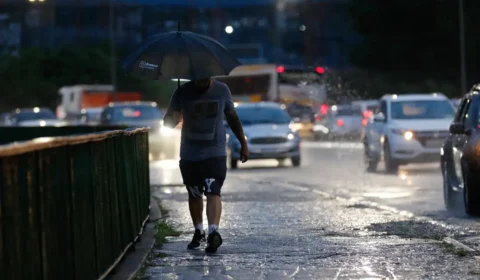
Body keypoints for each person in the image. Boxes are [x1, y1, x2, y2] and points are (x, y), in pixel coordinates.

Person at [163, 77, 249, 253]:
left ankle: (213, 232)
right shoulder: (181, 92)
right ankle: (198, 231)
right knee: (194, 193)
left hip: (214, 152)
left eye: (204, 78)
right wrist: (175, 117)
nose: (200, 82)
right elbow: (167, 123)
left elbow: (233, 117)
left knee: (213, 190)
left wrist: (243, 143)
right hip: (189, 153)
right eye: (197, 78)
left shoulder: (222, 90)